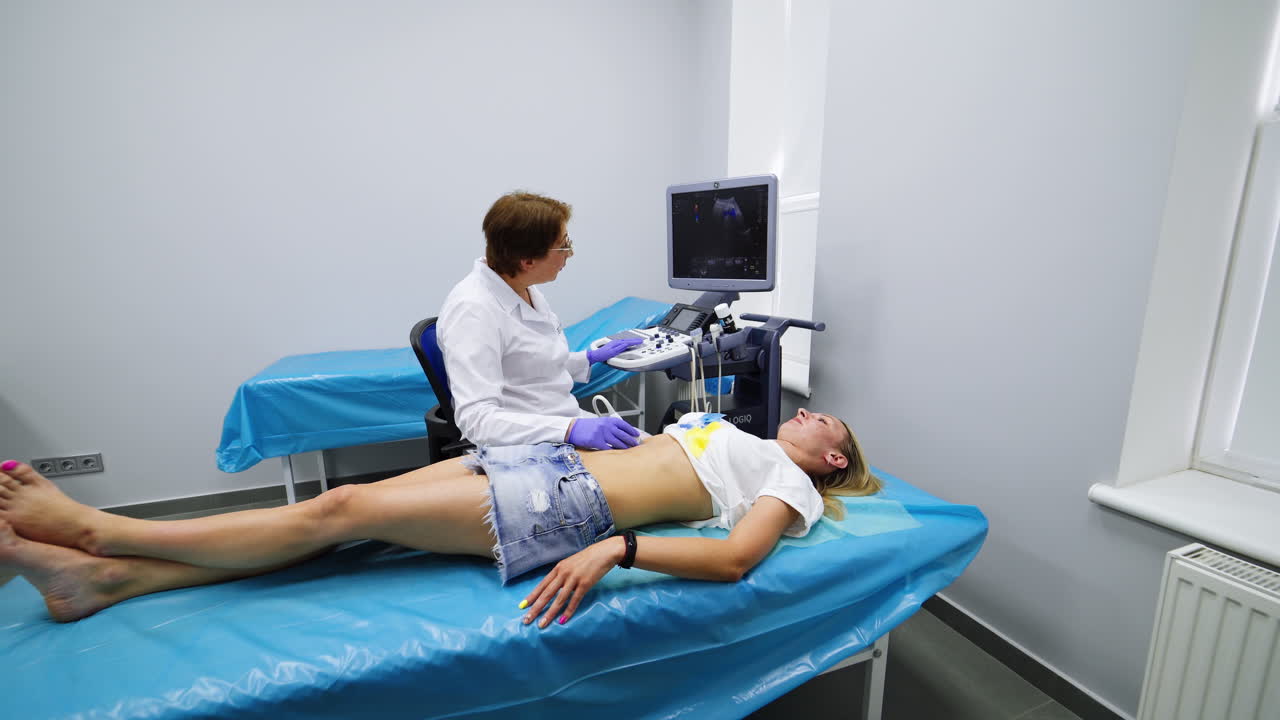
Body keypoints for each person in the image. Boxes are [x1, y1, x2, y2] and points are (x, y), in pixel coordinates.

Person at [0, 408, 881, 627]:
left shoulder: (792, 483)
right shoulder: (735, 432)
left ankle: (102, 531)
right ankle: (107, 581)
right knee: (349, 528)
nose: (806, 414)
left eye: (823, 423)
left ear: (833, 460)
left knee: (340, 506)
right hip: (544, 465)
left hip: (569, 504)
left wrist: (619, 549)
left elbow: (733, 559)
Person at [437, 191, 645, 451]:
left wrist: (586, 359)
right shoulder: (473, 311)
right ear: (527, 261)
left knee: (659, 448)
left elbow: (529, 363)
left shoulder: (522, 286)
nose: (570, 253)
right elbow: (477, 420)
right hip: (529, 444)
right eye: (563, 245)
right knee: (663, 463)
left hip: (560, 422)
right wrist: (569, 429)